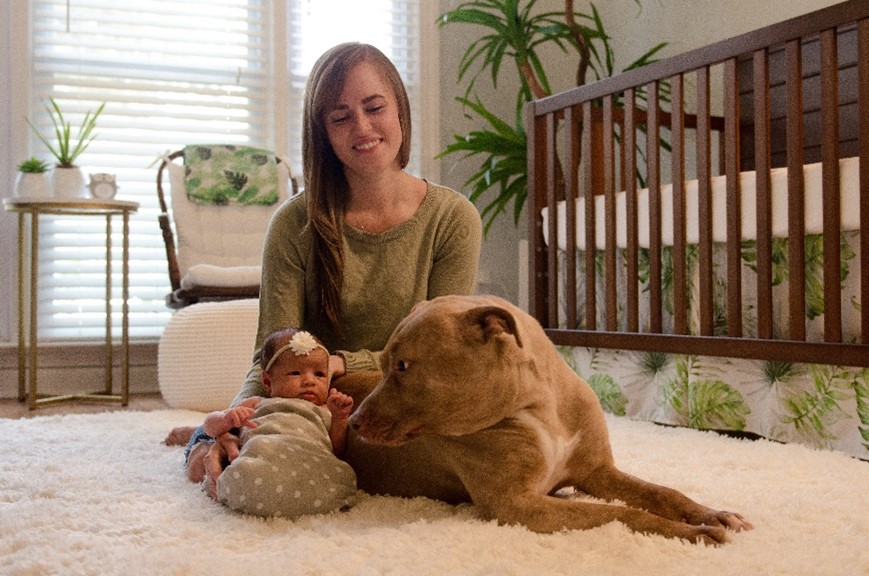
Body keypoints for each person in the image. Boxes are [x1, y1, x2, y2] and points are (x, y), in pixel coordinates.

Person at [179, 41, 483, 496]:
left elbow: (439, 357)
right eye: (340, 117)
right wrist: (224, 428)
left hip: (406, 392)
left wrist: (343, 362)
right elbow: (273, 359)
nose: (362, 127)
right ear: (323, 132)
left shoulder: (454, 218)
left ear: (399, 108)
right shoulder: (292, 224)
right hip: (319, 408)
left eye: (374, 106)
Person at [200, 327, 358, 517]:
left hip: (312, 469)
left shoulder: (325, 409)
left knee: (342, 475)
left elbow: (336, 450)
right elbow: (209, 427)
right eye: (295, 373)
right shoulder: (257, 403)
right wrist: (226, 419)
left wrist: (340, 418)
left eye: (319, 374)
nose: (310, 381)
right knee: (238, 472)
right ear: (267, 382)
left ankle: (290, 498)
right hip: (262, 462)